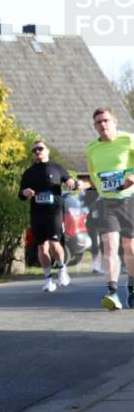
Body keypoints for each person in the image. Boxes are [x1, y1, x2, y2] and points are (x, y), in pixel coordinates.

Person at [85, 107, 134, 310]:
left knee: (129, 248)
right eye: (98, 122)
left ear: (114, 121)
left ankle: (131, 288)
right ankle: (112, 292)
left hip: (129, 199)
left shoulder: (129, 140)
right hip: (107, 202)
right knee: (110, 245)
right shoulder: (91, 149)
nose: (102, 125)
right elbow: (93, 176)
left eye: (105, 120)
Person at [18, 140, 76, 292]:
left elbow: (69, 180)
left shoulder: (57, 168)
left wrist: (70, 181)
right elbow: (21, 194)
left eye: (40, 149)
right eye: (35, 150)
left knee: (54, 244)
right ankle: (48, 279)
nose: (37, 152)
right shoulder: (29, 172)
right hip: (37, 213)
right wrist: (25, 193)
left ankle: (62, 269)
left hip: (54, 212)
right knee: (42, 247)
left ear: (47, 151)